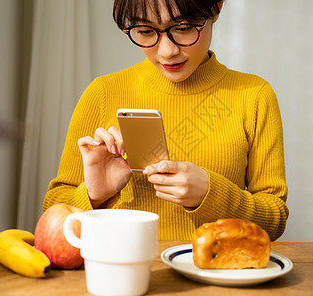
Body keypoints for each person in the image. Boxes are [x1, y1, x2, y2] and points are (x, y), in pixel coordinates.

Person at [44, 0, 289, 241]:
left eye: (183, 28)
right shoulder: (103, 93)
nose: (167, 52)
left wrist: (210, 195)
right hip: (121, 273)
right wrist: (94, 194)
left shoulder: (254, 95)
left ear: (216, 7)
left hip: (216, 275)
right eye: (146, 31)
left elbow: (275, 220)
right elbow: (54, 208)